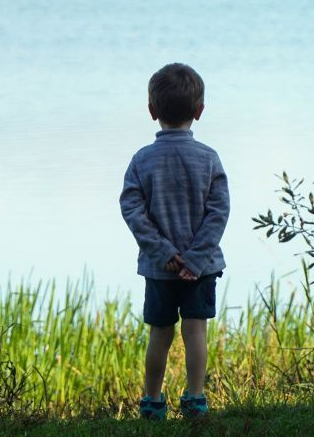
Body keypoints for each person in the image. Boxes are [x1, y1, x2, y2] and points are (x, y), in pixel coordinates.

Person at [119, 63, 229, 420]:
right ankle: (195, 399)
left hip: (159, 267)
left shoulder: (141, 160)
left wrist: (163, 252)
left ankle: (152, 401)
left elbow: (132, 209)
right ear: (199, 112)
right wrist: (196, 258)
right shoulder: (209, 158)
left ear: (152, 112)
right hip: (201, 268)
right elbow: (218, 212)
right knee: (195, 331)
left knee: (159, 334)